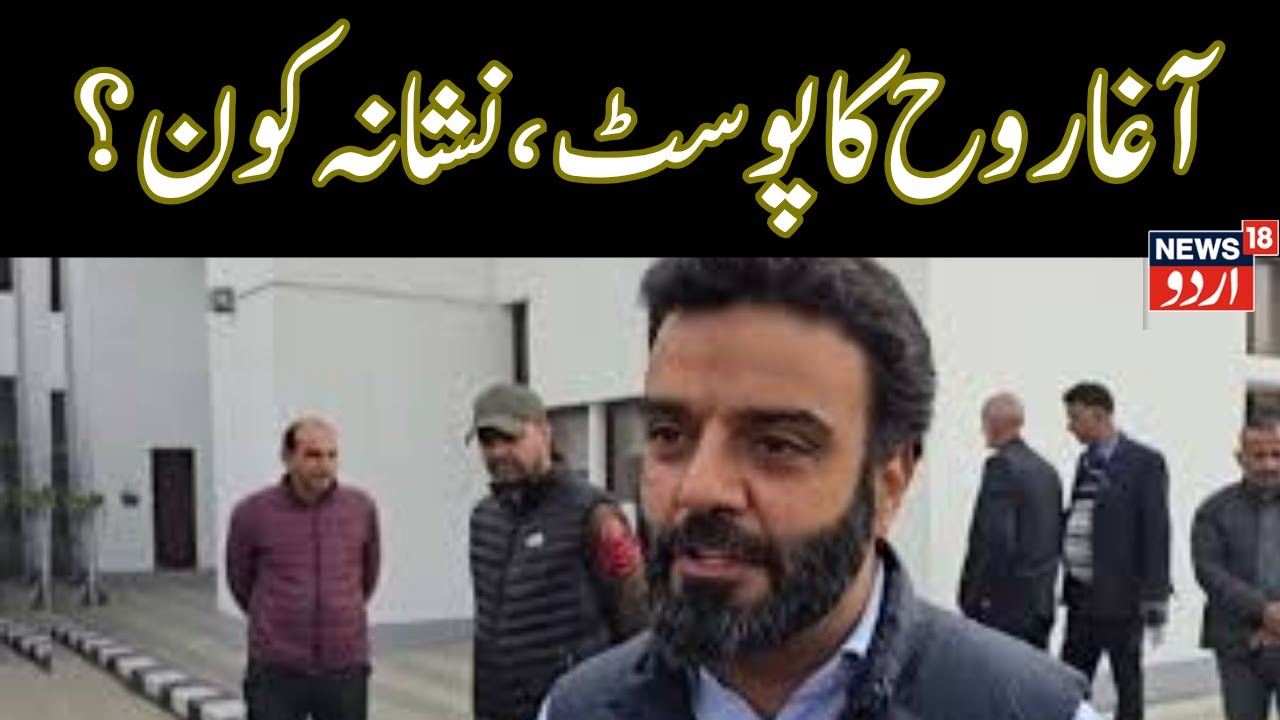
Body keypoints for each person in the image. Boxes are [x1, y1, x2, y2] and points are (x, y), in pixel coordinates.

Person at [537, 258, 1101, 720]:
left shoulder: (1032, 711)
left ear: (890, 481)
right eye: (668, 434)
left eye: (776, 444)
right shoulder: (574, 709)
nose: (699, 489)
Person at [466, 381, 649, 720]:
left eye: (510, 438)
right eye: (487, 441)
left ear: (544, 432)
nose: (498, 452)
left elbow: (636, 620)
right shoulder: (483, 519)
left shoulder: (594, 514)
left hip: (571, 707)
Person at [225, 416, 381, 720]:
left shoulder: (361, 508)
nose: (325, 465)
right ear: (287, 457)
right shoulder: (251, 513)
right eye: (313, 455)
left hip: (344, 667)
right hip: (275, 670)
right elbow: (240, 581)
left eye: (332, 455)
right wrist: (274, 620)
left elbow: (368, 576)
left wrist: (339, 612)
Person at [1059, 381, 1172, 720]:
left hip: (1121, 600)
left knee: (1127, 683)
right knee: (1070, 681)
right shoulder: (1085, 461)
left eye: (1075, 417)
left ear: (1099, 415)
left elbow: (1156, 530)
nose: (1069, 426)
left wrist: (1155, 597)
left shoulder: (1145, 462)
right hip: (1080, 596)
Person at [959, 391, 1064, 650]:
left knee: (996, 675)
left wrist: (975, 598)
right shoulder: (1048, 471)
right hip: (1040, 605)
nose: (982, 430)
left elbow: (994, 539)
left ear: (995, 424)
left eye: (984, 422)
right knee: (1034, 673)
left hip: (1004, 609)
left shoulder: (1001, 466)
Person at [1192, 414, 1280, 720]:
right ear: (1240, 458)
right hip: (1239, 645)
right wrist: (1264, 611)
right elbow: (1209, 571)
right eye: (1259, 455)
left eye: (1277, 454)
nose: (1269, 464)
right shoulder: (1214, 510)